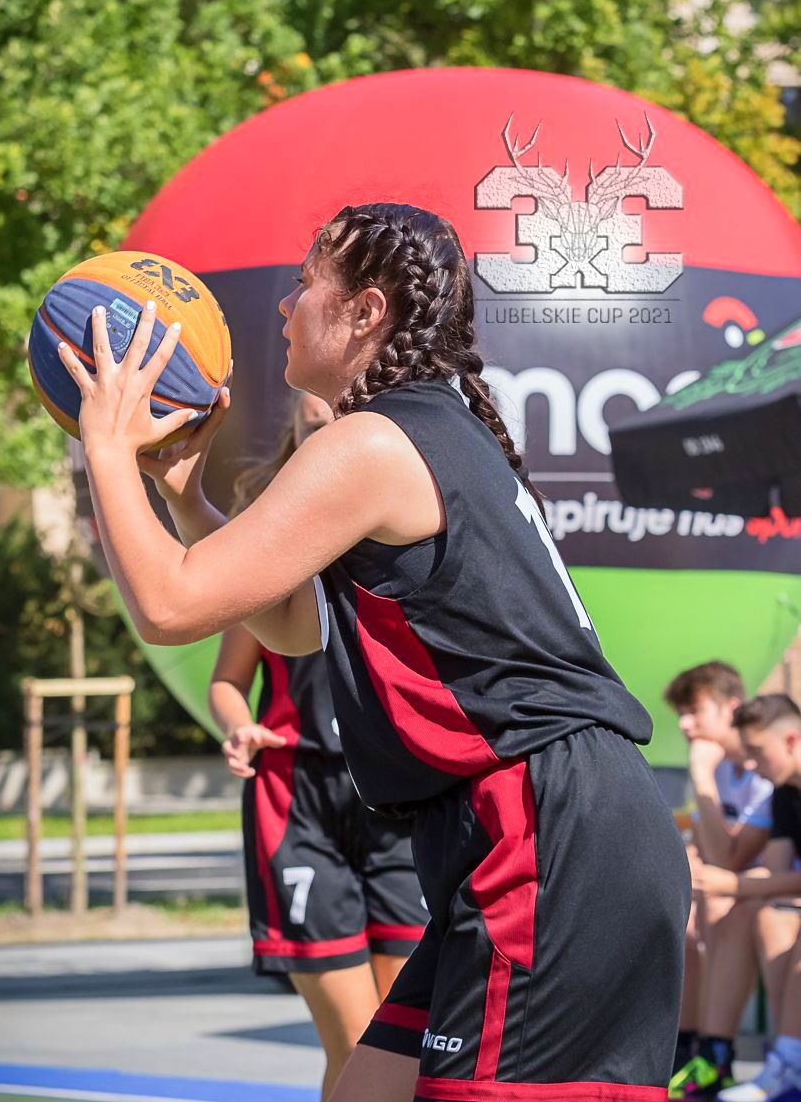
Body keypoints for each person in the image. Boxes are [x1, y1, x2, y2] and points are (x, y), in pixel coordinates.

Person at [59, 202, 691, 1102]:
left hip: (545, 836)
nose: (285, 306)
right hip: (541, 827)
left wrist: (104, 448)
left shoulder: (372, 442)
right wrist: (185, 501)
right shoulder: (418, 429)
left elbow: (169, 607)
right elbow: (294, 627)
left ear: (364, 312)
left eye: (305, 282)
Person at [209, 392, 426, 1100]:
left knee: (404, 1049)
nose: (325, 429)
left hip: (395, 793)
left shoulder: (403, 534)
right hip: (297, 795)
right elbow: (227, 681)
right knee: (359, 1043)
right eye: (311, 422)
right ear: (295, 434)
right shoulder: (266, 546)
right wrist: (236, 725)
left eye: (336, 420)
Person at [664, 663, 774, 1098]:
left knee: (715, 908)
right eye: (681, 714)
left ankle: (715, 1055)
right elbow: (710, 851)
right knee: (684, 918)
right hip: (734, 888)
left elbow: (730, 858)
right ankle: (684, 1048)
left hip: (756, 894)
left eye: (694, 711)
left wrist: (701, 775)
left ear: (731, 708)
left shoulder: (759, 769)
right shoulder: (720, 767)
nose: (684, 724)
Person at [691, 694, 801, 1102]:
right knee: (752, 915)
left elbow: (752, 873)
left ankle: (789, 1060)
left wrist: (734, 885)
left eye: (757, 751)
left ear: (790, 740)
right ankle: (716, 1057)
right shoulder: (785, 793)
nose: (751, 764)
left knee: (757, 909)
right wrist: (723, 882)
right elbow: (777, 871)